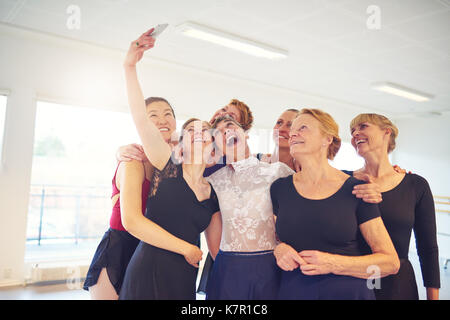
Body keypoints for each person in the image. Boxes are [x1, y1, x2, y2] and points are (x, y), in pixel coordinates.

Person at [118, 29, 220, 299]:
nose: (199, 135)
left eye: (205, 132)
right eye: (192, 131)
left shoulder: (213, 192)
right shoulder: (167, 164)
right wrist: (130, 66)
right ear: (181, 143)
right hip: (149, 269)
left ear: (213, 145)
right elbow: (141, 117)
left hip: (186, 273)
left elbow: (218, 247)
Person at [271, 108, 400, 300]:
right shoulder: (279, 188)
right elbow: (274, 236)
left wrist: (333, 263)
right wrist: (278, 248)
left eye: (303, 128)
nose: (293, 134)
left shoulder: (356, 189)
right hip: (293, 292)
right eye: (293, 130)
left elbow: (390, 263)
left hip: (348, 293)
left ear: (327, 139)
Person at [82, 96, 176, 300]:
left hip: (153, 250)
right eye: (153, 115)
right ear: (141, 122)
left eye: (168, 114)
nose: (162, 120)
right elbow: (131, 220)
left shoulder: (175, 161)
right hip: (120, 248)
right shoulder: (132, 159)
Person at [348, 113, 440, 300]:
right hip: (354, 278)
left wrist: (433, 296)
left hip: (397, 283)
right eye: (352, 131)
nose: (356, 133)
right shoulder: (344, 181)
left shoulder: (416, 185)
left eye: (363, 126)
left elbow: (427, 247)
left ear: (386, 133)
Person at [204, 115, 295, 300]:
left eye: (230, 125)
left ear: (245, 134)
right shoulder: (212, 182)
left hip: (270, 267)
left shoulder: (278, 171)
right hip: (227, 269)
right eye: (219, 132)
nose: (227, 131)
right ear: (216, 146)